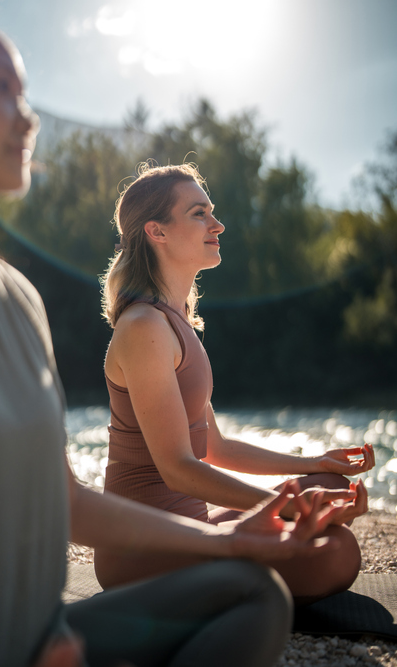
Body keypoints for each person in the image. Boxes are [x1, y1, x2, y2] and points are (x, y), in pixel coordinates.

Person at [0, 0, 355, 667]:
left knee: (255, 590)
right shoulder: (138, 326)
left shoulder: (17, 299)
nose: (28, 115)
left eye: (25, 91)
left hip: (45, 635)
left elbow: (63, 500)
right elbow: (179, 465)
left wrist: (252, 528)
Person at [96, 163, 375, 597]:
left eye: (212, 212)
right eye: (199, 213)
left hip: (195, 528)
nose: (217, 224)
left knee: (331, 486)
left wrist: (314, 465)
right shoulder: (143, 328)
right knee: (335, 553)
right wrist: (290, 507)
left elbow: (216, 448)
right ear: (157, 231)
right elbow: (177, 470)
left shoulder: (175, 319)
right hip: (144, 548)